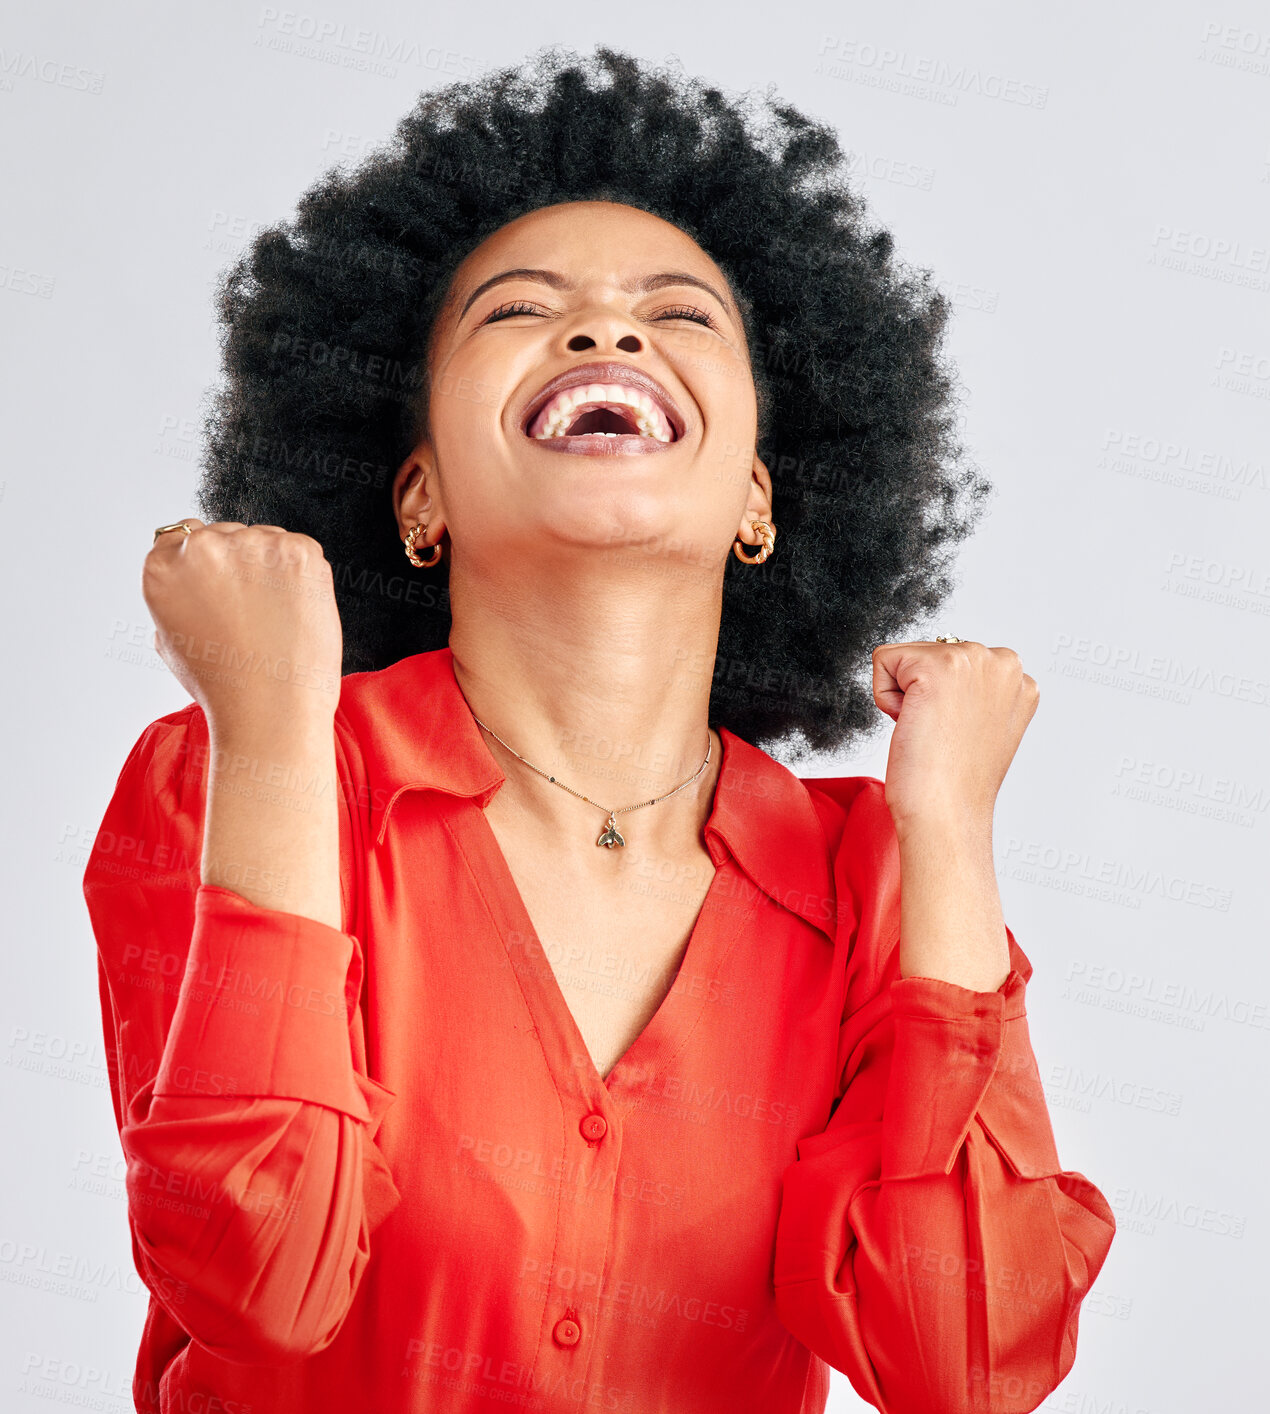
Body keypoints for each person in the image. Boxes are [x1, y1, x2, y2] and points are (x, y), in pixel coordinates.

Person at [84, 45, 1116, 1414]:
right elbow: (261, 1279)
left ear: (757, 499)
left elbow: (961, 1360)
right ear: (417, 498)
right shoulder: (238, 782)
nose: (604, 333)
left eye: (675, 315)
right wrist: (270, 725)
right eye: (521, 309)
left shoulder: (868, 874)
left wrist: (946, 838)